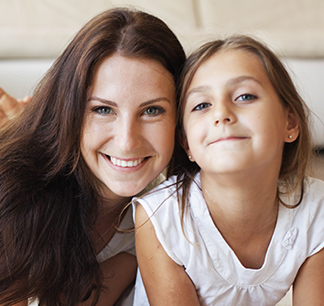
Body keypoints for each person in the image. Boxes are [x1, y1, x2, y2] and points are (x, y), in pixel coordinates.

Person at [0, 7, 186, 306]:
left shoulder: (163, 220)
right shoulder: (16, 193)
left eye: (152, 110)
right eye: (103, 109)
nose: (127, 141)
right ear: (70, 110)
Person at [134, 35, 324, 305]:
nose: (221, 113)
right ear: (186, 142)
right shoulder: (162, 218)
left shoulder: (316, 209)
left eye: (245, 96)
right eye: (202, 105)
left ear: (289, 123)